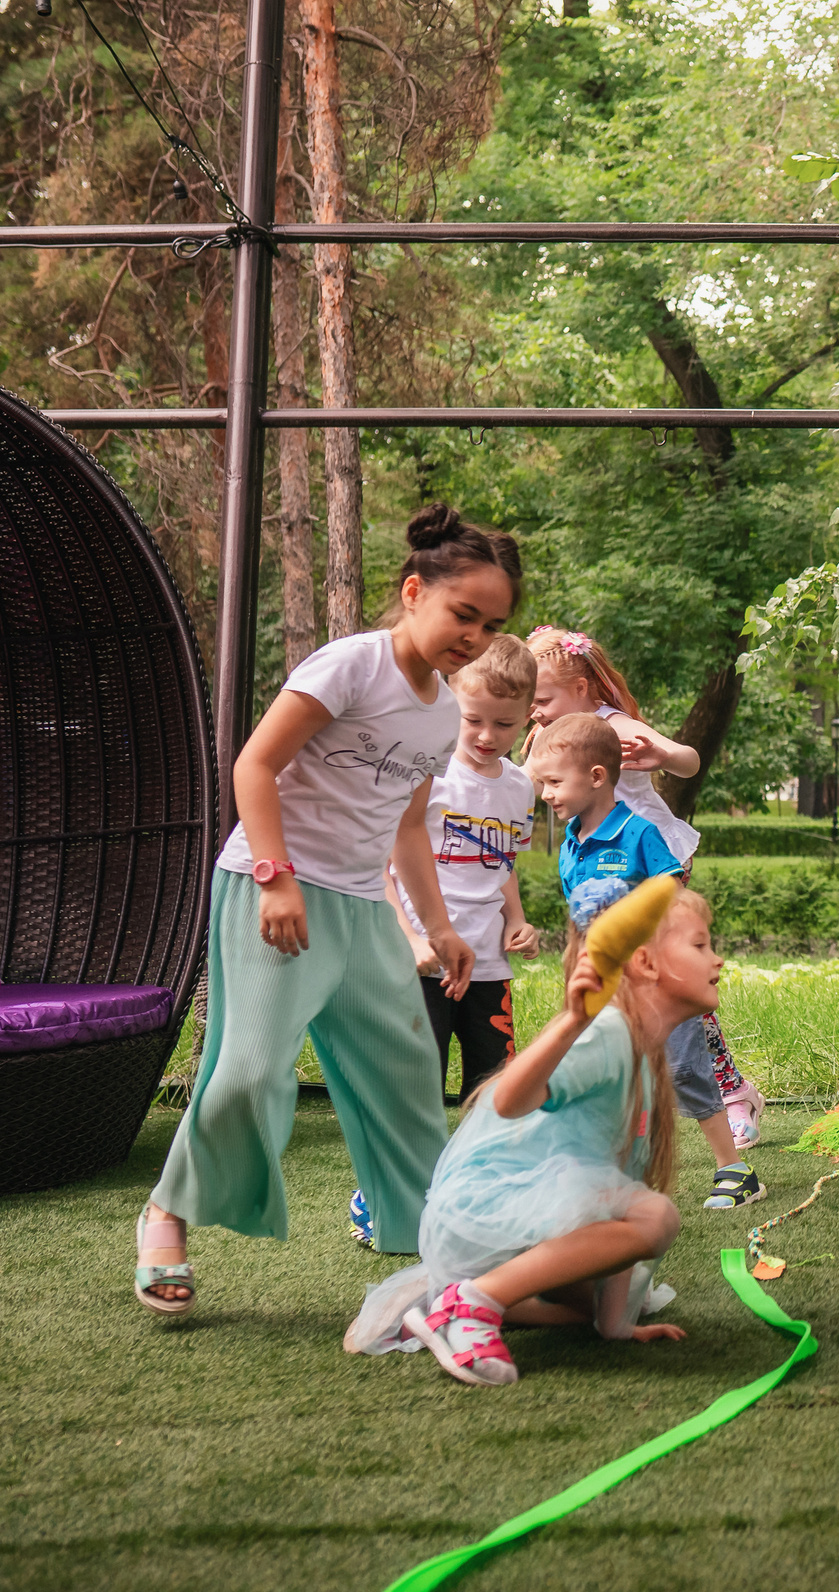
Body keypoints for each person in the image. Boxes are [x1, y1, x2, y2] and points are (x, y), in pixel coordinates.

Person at [133, 504, 517, 1315]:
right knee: (248, 1072)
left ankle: (433, 1244)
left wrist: (439, 926)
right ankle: (167, 1209)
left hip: (362, 910)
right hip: (274, 891)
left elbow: (407, 827)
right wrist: (275, 876)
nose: (475, 636)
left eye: (491, 625)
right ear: (414, 591)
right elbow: (255, 763)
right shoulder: (350, 665)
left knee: (406, 1075)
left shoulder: (442, 712)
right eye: (464, 613)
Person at [344, 882, 720, 1386]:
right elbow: (509, 1100)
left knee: (607, 1290)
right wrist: (573, 1020)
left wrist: (614, 1325)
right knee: (656, 1218)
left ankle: (453, 1303)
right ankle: (473, 1302)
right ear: (646, 964)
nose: (717, 959)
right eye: (700, 944)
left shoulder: (644, 1059)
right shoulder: (607, 1033)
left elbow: (618, 1181)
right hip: (487, 1216)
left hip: (518, 1223)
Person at [528, 626, 765, 1151]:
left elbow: (689, 758)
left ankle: (730, 1092)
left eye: (541, 699)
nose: (533, 710)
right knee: (626, 994)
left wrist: (662, 757)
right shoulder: (548, 736)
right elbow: (518, 786)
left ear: (582, 688)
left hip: (651, 859)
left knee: (673, 983)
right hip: (597, 862)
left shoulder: (615, 723)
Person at [353, 633, 544, 1248]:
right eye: (473, 719)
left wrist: (516, 920)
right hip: (422, 966)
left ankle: (477, 1195)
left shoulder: (520, 787)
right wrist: (411, 938)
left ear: (527, 718)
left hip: (488, 968)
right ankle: (380, 1196)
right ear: (452, 702)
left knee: (494, 1089)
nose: (487, 735)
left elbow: (502, 860)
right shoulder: (427, 772)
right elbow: (384, 864)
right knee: (414, 1088)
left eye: (504, 724)